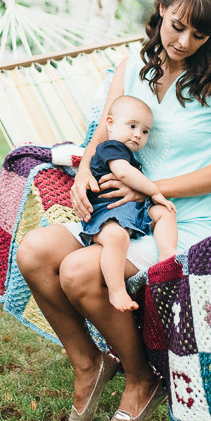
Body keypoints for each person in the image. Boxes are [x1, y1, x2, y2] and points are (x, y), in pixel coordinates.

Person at [16, 0, 211, 421]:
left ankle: (143, 378)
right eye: (178, 25)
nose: (184, 41)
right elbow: (104, 131)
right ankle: (89, 363)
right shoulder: (132, 66)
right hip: (115, 213)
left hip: (180, 220)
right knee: (34, 252)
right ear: (162, 8)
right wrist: (84, 173)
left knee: (79, 272)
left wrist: (149, 186)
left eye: (200, 34)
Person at [80, 94, 178, 313]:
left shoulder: (127, 153)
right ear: (110, 124)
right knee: (116, 237)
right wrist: (154, 190)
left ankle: (168, 256)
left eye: (145, 131)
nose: (137, 135)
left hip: (130, 211)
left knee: (165, 212)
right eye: (132, 126)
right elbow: (123, 174)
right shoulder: (111, 147)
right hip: (104, 214)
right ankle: (116, 291)